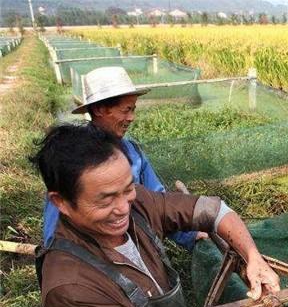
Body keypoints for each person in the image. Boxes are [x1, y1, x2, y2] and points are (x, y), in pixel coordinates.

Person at [31, 123, 280, 307]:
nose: (123, 208)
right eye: (106, 199)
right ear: (61, 203)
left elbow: (213, 211)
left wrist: (253, 258)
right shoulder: (69, 286)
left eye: (128, 189)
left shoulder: (136, 205)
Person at [42, 66, 205, 250]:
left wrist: (189, 235)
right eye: (126, 110)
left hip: (138, 246)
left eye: (133, 109)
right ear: (99, 109)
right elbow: (55, 223)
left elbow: (159, 203)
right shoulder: (73, 157)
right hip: (94, 253)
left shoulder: (133, 151)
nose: (132, 117)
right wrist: (55, 256)